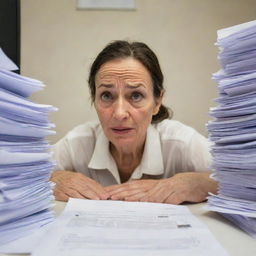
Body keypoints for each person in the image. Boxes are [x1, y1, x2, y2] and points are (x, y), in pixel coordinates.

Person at [51, 40, 218, 204]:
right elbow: (25, 174)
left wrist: (200, 183)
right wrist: (54, 178)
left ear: (157, 102)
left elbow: (241, 177)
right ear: (94, 100)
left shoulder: (182, 143)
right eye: (106, 95)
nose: (119, 113)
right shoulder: (76, 144)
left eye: (136, 95)